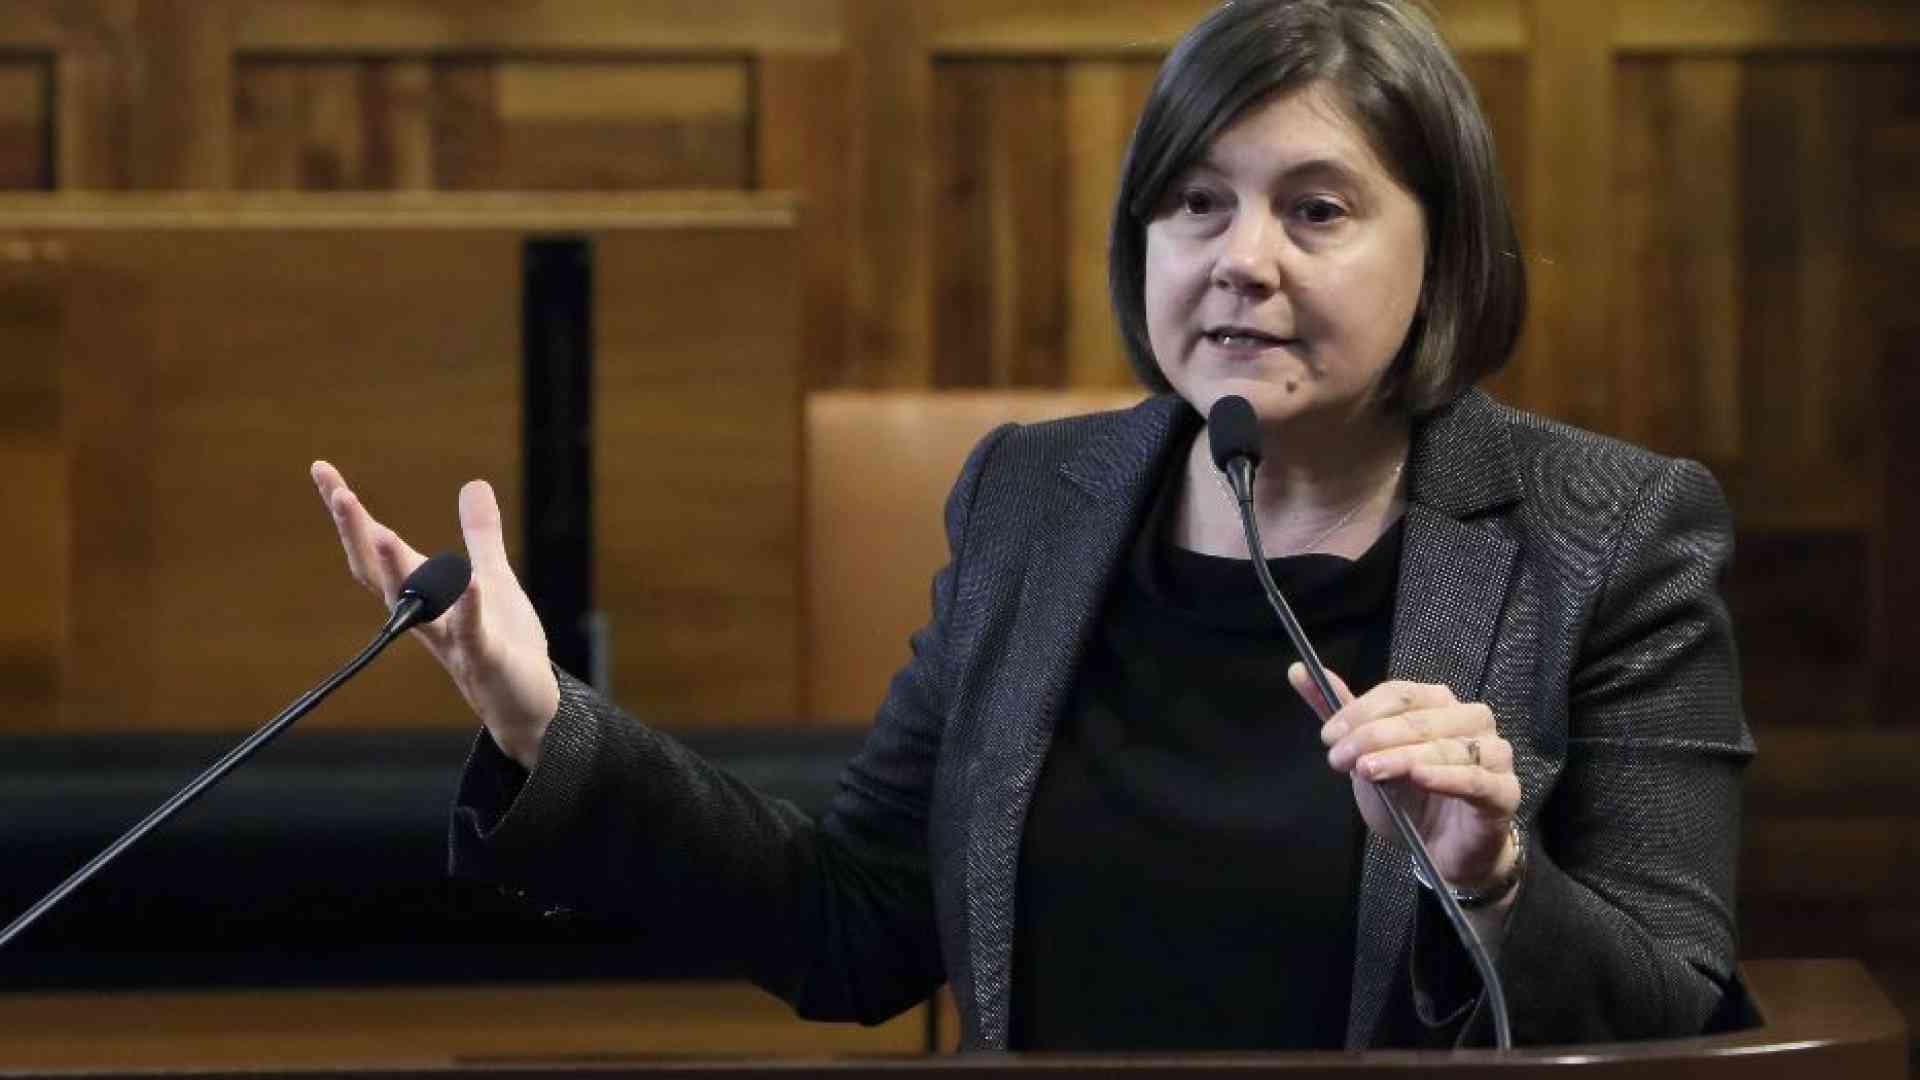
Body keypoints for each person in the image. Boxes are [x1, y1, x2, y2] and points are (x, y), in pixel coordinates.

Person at [311, 0, 1751, 1051]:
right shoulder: (1034, 501)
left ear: (1444, 252)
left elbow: (1679, 1010)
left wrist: (1493, 884)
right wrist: (543, 722)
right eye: (1196, 204)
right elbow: (852, 925)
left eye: (1316, 211)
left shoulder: (1610, 535)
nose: (1241, 260)